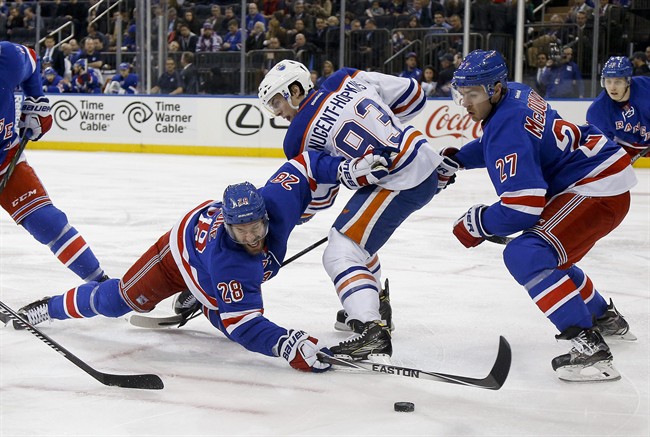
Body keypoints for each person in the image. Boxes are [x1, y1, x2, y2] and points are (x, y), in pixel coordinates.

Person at [10, 150, 392, 372]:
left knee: (224, 312)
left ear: (265, 215)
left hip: (210, 273)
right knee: (117, 302)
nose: (251, 237)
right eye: (240, 230)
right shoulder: (230, 259)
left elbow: (307, 164)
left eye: (256, 227)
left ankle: (203, 299)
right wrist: (287, 346)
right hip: (177, 255)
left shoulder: (279, 202)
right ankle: (50, 307)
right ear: (227, 225)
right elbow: (245, 327)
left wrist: (344, 168)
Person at [447, 49, 637, 382]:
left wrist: (476, 223)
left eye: (472, 94)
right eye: (461, 93)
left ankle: (589, 350)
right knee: (549, 253)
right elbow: (499, 140)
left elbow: (523, 207)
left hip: (594, 187)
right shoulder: (516, 92)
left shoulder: (506, 123)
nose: (465, 102)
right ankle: (604, 319)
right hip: (599, 176)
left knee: (527, 253)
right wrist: (457, 159)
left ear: (494, 89)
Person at [257, 60, 458, 361]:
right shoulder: (345, 78)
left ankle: (370, 330)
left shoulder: (297, 137)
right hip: (421, 158)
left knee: (341, 250)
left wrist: (289, 219)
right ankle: (374, 305)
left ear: (295, 90)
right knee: (355, 239)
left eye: (276, 101)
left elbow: (322, 197)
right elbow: (414, 95)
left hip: (400, 179)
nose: (278, 113)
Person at [0, 42, 106, 284]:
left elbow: (32, 60)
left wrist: (36, 99)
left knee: (49, 223)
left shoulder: (6, 58)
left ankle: (99, 284)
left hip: (5, 158)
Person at [586, 56, 650, 159]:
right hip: (626, 148)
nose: (612, 87)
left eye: (618, 81)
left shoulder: (646, 88)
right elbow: (602, 149)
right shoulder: (597, 111)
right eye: (608, 81)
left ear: (628, 81)